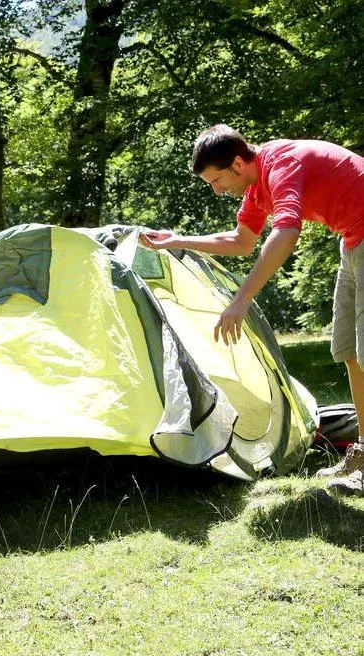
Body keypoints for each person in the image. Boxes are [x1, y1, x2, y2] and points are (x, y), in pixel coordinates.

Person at [141, 123, 364, 494]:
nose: (217, 190)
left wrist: (242, 299)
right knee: (351, 354)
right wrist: (176, 240)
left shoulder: (282, 165)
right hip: (353, 240)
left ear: (238, 164)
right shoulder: (257, 187)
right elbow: (241, 241)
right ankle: (363, 454)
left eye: (216, 180)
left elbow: (287, 231)